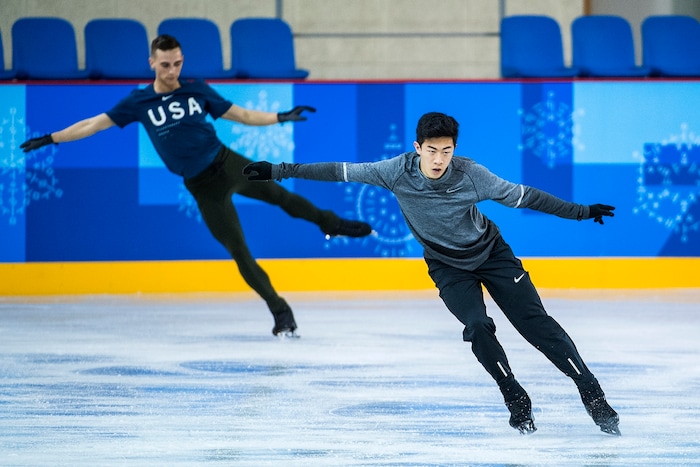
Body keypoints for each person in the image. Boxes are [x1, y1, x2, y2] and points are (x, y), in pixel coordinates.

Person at [242, 111, 621, 435]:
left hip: (493, 255)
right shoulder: (395, 171)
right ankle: (514, 395)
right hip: (446, 266)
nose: (440, 159)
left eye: (447, 150)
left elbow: (528, 197)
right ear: (417, 146)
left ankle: (592, 393)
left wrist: (582, 211)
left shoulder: (473, 174)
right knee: (476, 327)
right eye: (432, 150)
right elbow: (340, 171)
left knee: (536, 326)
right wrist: (279, 170)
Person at [20, 34, 372, 338]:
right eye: (164, 66)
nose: (171, 72)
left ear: (181, 61)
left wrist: (280, 117)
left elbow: (244, 115)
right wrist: (52, 138)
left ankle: (331, 223)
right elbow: (94, 124)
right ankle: (281, 313)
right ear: (152, 63)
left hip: (229, 162)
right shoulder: (138, 102)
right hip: (202, 186)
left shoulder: (197, 89)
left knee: (281, 195)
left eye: (176, 64)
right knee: (240, 250)